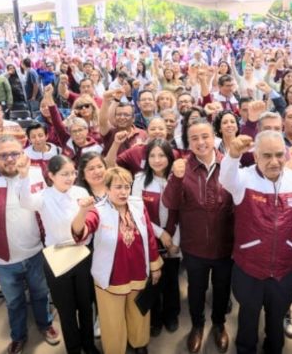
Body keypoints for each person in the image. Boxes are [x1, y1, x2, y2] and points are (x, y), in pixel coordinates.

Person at [0, 136, 60, 353]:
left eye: (15, 153)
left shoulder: (36, 174)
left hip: (36, 251)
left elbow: (49, 204)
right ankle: (18, 336)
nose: (10, 159)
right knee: (14, 301)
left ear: (23, 154)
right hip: (3, 258)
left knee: (41, 293)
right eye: (3, 155)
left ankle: (45, 325)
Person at [219, 132, 292, 354]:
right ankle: (245, 349)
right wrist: (232, 155)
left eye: (280, 155)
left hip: (284, 269)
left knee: (277, 317)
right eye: (267, 155)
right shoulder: (242, 179)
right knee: (248, 316)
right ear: (256, 156)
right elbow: (225, 179)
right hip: (249, 268)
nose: (274, 161)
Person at [71, 167, 162, 354]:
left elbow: (150, 237)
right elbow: (80, 234)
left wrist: (155, 266)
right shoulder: (97, 211)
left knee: (139, 312)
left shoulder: (137, 204)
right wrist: (82, 211)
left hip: (138, 271)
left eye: (127, 187)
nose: (123, 192)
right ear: (107, 188)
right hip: (111, 276)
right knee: (112, 318)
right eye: (118, 187)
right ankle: (115, 350)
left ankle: (139, 343)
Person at [162, 119, 233, 353]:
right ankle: (197, 326)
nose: (201, 142)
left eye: (205, 136)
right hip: (195, 247)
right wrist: (176, 177)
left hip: (225, 247)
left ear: (215, 138)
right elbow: (170, 202)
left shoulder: (229, 166)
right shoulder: (183, 168)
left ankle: (219, 324)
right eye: (194, 138)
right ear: (188, 142)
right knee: (196, 290)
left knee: (222, 290)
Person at [20, 155, 98, 354]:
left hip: (82, 254)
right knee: (66, 309)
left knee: (86, 305)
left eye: (73, 173)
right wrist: (23, 176)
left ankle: (89, 345)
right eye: (64, 174)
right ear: (51, 175)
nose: (70, 177)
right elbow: (25, 201)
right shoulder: (44, 197)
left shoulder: (80, 191)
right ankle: (73, 348)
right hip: (57, 257)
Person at [132, 139, 181, 336]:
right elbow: (137, 214)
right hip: (149, 241)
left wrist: (174, 241)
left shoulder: (178, 179)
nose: (157, 160)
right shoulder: (139, 181)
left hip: (174, 240)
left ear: (169, 158)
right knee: (153, 280)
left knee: (171, 279)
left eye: (162, 155)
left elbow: (183, 214)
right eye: (152, 155)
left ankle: (171, 314)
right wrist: (161, 234)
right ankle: (155, 318)